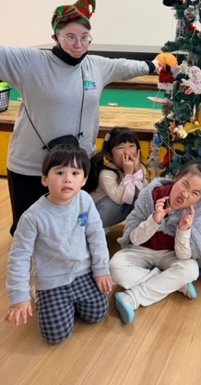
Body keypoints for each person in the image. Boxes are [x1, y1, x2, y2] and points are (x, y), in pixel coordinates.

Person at [0, 0, 159, 234]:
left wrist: (154, 65)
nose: (79, 44)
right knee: (28, 230)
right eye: (70, 37)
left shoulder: (95, 65)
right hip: (31, 165)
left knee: (69, 228)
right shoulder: (31, 61)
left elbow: (124, 66)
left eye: (85, 37)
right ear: (55, 37)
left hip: (77, 165)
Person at [110, 159, 201, 325]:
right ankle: (173, 283)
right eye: (185, 185)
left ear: (200, 198)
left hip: (170, 255)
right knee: (114, 267)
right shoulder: (150, 195)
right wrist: (154, 220)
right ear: (176, 177)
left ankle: (132, 297)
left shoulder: (196, 213)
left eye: (195, 193)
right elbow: (134, 239)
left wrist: (183, 231)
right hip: (140, 250)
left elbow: (184, 256)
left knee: (191, 270)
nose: (186, 194)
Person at [4, 143, 112, 344]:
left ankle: (66, 304)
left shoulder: (85, 200)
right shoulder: (32, 217)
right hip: (51, 279)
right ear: (45, 179)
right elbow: (19, 257)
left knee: (97, 314)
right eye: (60, 172)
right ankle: (41, 296)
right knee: (55, 336)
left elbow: (96, 235)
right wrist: (19, 296)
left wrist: (101, 269)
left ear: (84, 180)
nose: (68, 179)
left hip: (83, 272)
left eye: (75, 173)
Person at [86, 127, 148, 229]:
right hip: (99, 214)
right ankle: (98, 231)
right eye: (120, 147)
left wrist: (138, 173)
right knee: (113, 204)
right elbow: (118, 199)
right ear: (110, 155)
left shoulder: (140, 168)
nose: (127, 152)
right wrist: (128, 174)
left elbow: (143, 195)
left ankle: (135, 231)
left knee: (140, 201)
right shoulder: (106, 173)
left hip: (119, 212)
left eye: (131, 146)